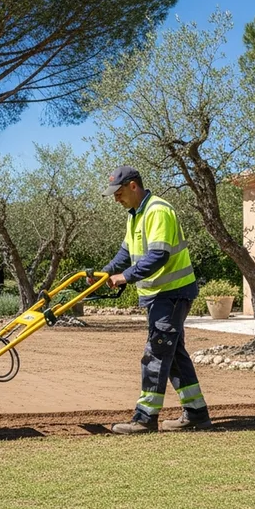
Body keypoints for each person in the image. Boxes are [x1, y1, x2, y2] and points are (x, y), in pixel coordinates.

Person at [98, 166, 211, 433]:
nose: (116, 199)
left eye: (119, 193)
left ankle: (145, 418)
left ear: (133, 186)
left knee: (157, 354)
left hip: (171, 293)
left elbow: (159, 256)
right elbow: (126, 253)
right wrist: (106, 273)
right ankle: (197, 413)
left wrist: (124, 277)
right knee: (173, 355)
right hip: (157, 296)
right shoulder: (135, 215)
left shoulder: (157, 211)